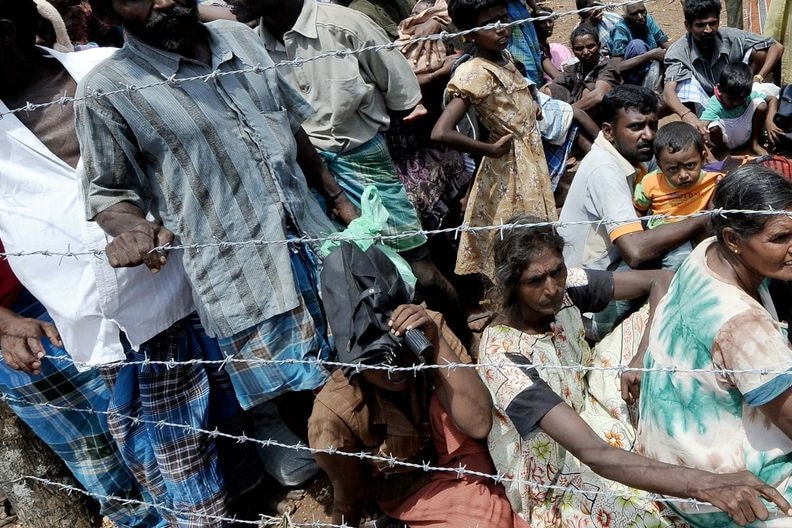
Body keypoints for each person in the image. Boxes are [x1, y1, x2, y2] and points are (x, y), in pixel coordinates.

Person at [0, 1, 262, 524]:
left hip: (183, 287)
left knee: (236, 427)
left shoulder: (105, 72)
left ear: (7, 32)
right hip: (93, 322)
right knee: (154, 456)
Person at [479, 213, 792, 527]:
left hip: (587, 406)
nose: (551, 288)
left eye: (557, 270)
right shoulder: (504, 357)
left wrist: (641, 357)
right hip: (555, 469)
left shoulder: (566, 286)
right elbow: (592, 453)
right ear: (511, 285)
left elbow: (662, 280)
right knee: (653, 517)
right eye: (535, 280)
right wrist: (703, 483)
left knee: (656, 317)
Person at [231, 0, 468, 340]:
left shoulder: (345, 26)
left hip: (364, 162)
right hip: (307, 177)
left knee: (421, 269)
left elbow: (404, 95)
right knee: (357, 282)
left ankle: (463, 343)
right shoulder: (252, 47)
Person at [637, 166, 792, 526]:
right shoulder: (742, 326)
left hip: (673, 466)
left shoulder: (708, 251)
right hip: (725, 492)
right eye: (780, 237)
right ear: (734, 239)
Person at [309, 302, 527, 528]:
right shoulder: (333, 413)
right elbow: (349, 496)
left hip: (461, 454)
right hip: (412, 487)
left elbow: (479, 423)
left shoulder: (425, 324)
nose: (395, 367)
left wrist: (436, 342)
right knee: (486, 520)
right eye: (379, 360)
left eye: (402, 350)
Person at [430, 0, 555, 279]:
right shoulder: (474, 72)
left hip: (530, 158)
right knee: (518, 241)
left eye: (502, 19)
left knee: (533, 236)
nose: (501, 29)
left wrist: (529, 107)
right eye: (489, 24)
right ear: (470, 34)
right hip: (510, 168)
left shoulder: (505, 58)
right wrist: (489, 148)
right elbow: (441, 131)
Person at [663, 0, 784, 135]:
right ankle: (698, 127)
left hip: (734, 95)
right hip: (702, 101)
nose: (708, 30)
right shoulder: (678, 51)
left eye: (713, 23)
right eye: (700, 25)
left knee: (761, 53)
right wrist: (686, 114)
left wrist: (758, 77)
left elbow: (776, 47)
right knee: (681, 88)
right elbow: (668, 92)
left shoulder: (731, 36)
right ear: (687, 26)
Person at [633, 121, 721, 269]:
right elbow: (639, 210)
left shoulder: (713, 180)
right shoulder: (649, 183)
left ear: (703, 157)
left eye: (690, 165)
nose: (683, 175)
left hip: (697, 231)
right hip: (664, 235)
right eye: (673, 169)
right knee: (679, 260)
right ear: (660, 166)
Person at [700, 62, 783, 156]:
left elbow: (773, 99)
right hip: (726, 139)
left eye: (741, 99)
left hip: (744, 132)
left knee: (761, 104)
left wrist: (769, 121)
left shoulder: (747, 96)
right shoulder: (715, 103)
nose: (736, 103)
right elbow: (701, 127)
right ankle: (724, 150)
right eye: (731, 99)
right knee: (713, 128)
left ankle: (754, 143)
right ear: (719, 89)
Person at [544, 24, 622, 123]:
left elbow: (598, 95)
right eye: (579, 49)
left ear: (599, 46)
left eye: (590, 46)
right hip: (577, 112)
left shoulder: (607, 67)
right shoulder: (575, 68)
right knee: (549, 90)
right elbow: (552, 84)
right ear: (573, 50)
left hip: (604, 117)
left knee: (589, 90)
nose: (585, 52)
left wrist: (564, 113)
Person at [609, 1, 670, 88]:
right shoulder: (621, 29)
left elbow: (666, 45)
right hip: (631, 79)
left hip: (653, 71)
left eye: (642, 11)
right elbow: (617, 67)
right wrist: (649, 55)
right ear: (626, 16)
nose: (640, 17)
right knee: (637, 45)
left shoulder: (648, 20)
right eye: (634, 14)